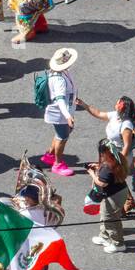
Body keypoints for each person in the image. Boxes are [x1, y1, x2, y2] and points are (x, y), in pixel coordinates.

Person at [42, 47, 84, 176]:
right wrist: (67, 116)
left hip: (64, 111)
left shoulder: (61, 72)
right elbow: (60, 99)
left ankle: (50, 155)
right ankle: (57, 164)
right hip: (60, 113)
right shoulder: (59, 79)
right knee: (62, 137)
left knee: (62, 133)